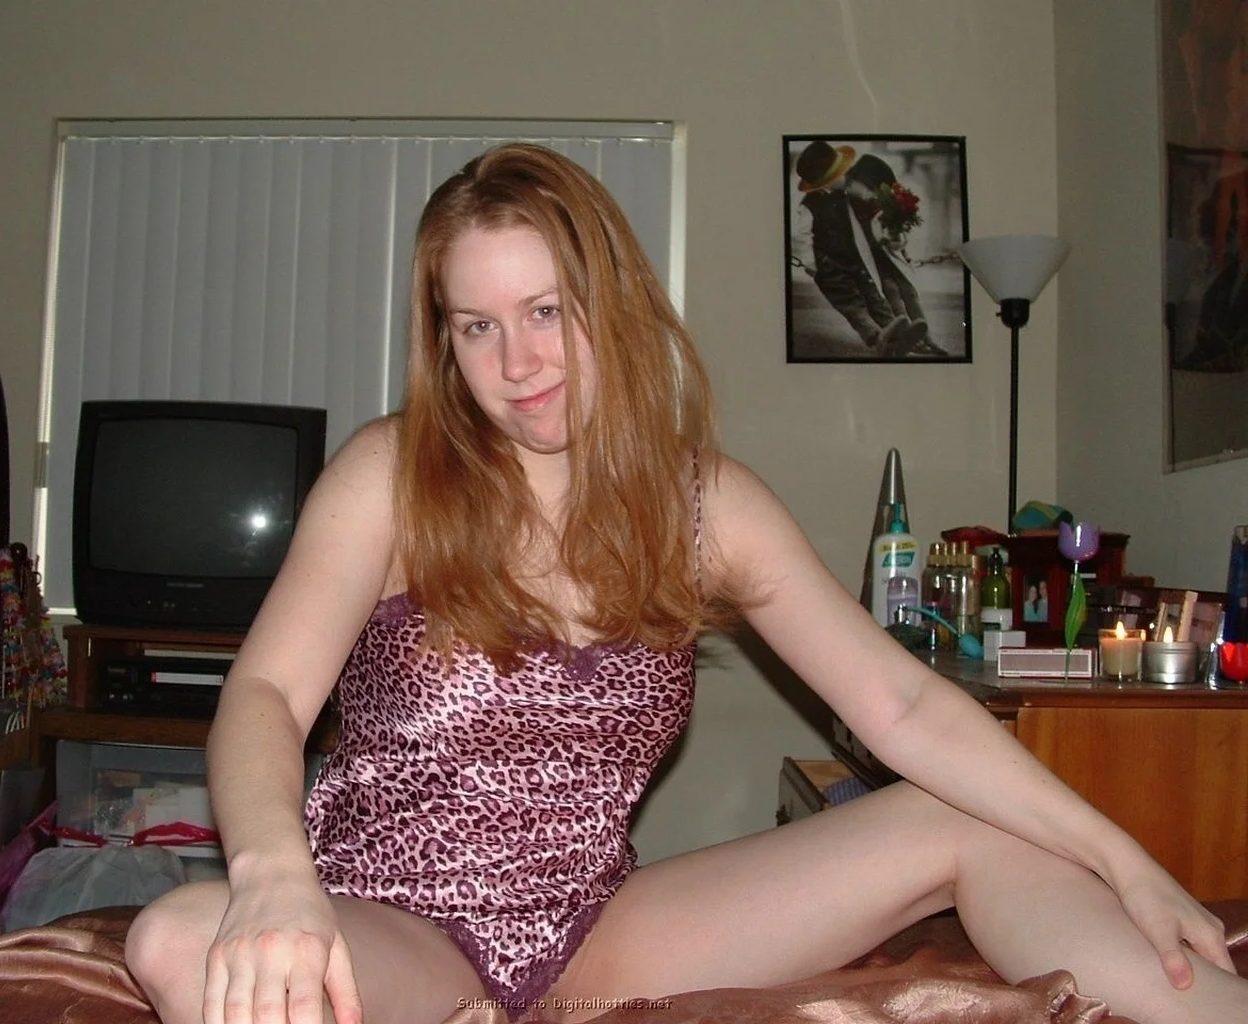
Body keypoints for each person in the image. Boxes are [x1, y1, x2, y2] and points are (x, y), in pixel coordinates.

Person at [125, 142, 1246, 1024]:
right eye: (478, 327)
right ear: (445, 343)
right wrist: (271, 874)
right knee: (176, 937)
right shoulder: (390, 478)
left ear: (609, 301)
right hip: (400, 924)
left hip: (600, 927)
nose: (517, 363)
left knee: (971, 818)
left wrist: (1124, 859)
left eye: (547, 311)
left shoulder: (709, 506)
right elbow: (266, 695)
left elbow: (903, 703)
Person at [788, 139, 925, 353]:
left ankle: (899, 335)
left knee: (874, 297)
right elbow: (801, 237)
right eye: (839, 174)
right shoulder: (809, 205)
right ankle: (876, 337)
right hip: (829, 267)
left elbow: (864, 212)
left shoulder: (842, 196)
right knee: (852, 305)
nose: (845, 175)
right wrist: (812, 264)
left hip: (853, 261)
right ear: (827, 181)